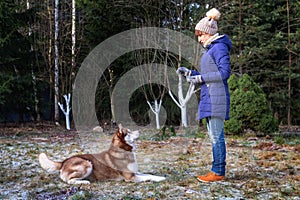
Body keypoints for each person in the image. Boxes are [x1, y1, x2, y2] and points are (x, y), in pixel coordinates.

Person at [177, 8, 232, 182]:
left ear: (208, 33)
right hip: (211, 97)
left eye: (200, 35)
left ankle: (218, 172)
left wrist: (200, 77)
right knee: (214, 136)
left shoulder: (219, 48)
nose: (199, 39)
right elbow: (208, 74)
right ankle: (217, 170)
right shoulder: (211, 50)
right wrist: (190, 73)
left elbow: (224, 73)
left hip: (217, 98)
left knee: (217, 136)